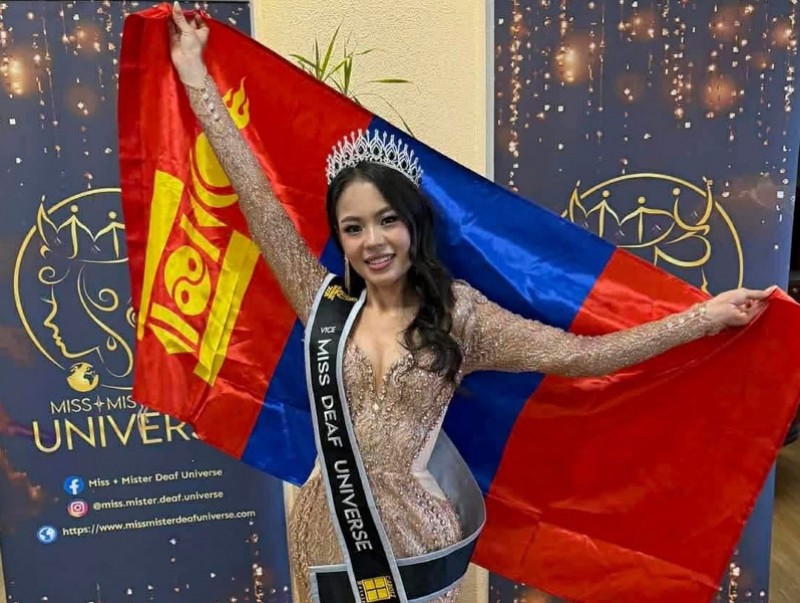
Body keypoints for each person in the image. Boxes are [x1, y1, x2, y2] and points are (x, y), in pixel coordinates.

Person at [167, 3, 776, 601]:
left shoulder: (460, 315)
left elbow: (579, 356)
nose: (373, 241)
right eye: (353, 228)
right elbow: (260, 204)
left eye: (387, 220)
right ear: (341, 240)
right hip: (324, 531)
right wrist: (197, 78)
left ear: (413, 224)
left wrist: (703, 318)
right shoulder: (324, 303)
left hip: (416, 541)